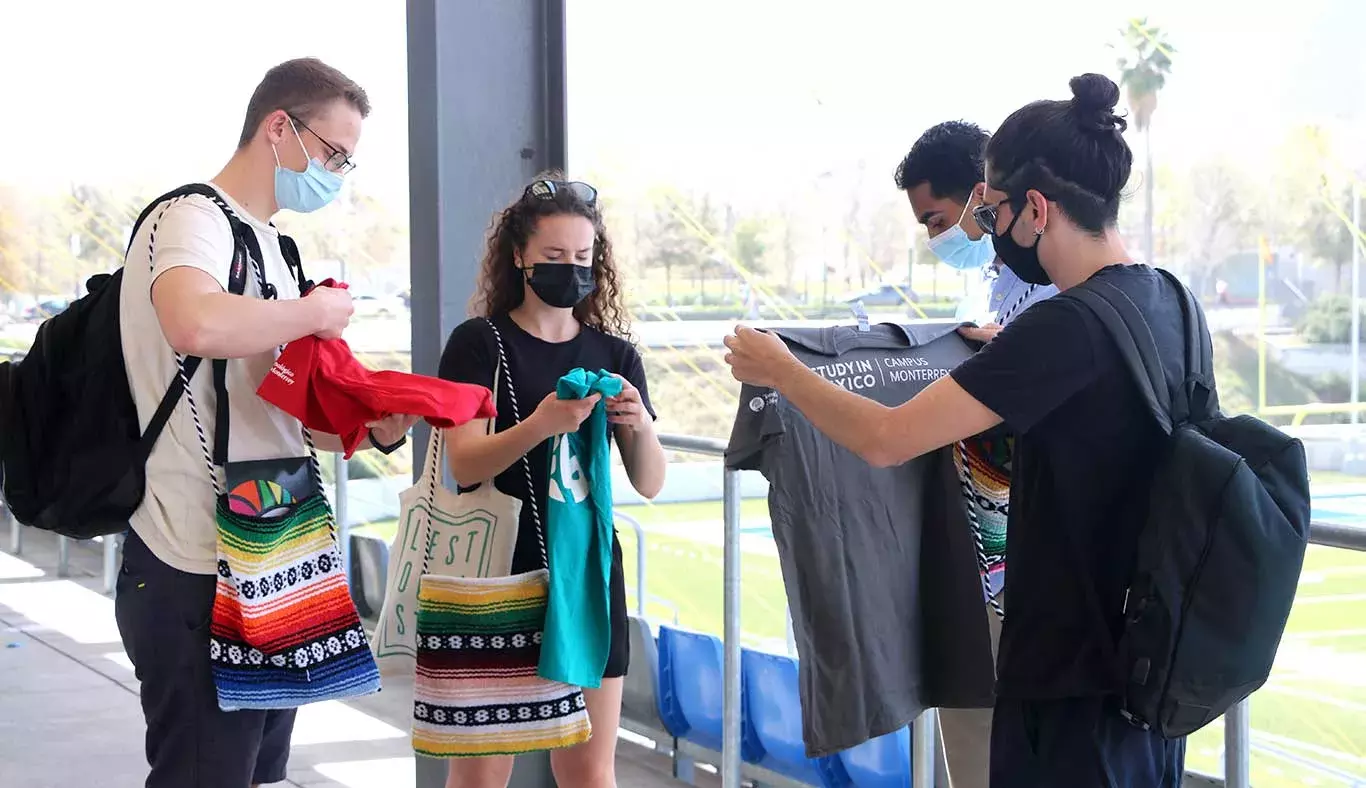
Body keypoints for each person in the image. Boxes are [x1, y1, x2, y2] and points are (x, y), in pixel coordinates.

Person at [724, 74, 1189, 787]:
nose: (988, 233)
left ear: (1036, 208)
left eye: (992, 212)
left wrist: (783, 371)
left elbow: (886, 439)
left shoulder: (1060, 329)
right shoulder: (1171, 302)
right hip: (1148, 670)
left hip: (1067, 681)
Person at [115, 57, 417, 788]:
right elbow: (192, 320)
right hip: (193, 559)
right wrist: (313, 312)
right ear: (278, 127)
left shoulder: (273, 247)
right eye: (333, 154)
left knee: (257, 774)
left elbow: (275, 412)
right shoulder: (190, 217)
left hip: (270, 556)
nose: (338, 174)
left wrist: (379, 422)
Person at [437, 176, 668, 788]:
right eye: (555, 258)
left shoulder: (616, 357)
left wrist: (641, 426)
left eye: (583, 259)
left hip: (588, 576)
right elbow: (463, 465)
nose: (572, 271)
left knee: (589, 770)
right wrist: (541, 424)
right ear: (519, 257)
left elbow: (649, 482)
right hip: (497, 573)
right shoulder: (478, 345)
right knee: (483, 773)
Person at [895, 120, 1063, 788]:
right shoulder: (1003, 284)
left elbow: (887, 439)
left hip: (1030, 565)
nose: (939, 239)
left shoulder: (1064, 291)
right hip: (989, 557)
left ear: (985, 193)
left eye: (939, 218)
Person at [896, 121, 1058, 341]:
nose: (934, 239)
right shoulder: (977, 295)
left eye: (938, 222)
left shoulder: (1057, 288)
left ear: (981, 197)